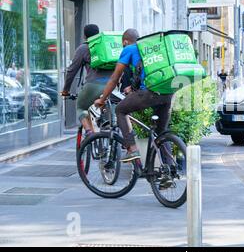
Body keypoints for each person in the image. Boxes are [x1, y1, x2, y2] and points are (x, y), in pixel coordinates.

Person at [94, 29, 174, 164]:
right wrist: (132, 87)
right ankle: (169, 170)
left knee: (120, 110)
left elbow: (114, 78)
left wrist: (102, 99)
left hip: (149, 93)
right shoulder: (151, 49)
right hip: (167, 93)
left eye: (122, 45)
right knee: (161, 131)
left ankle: (132, 149)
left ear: (125, 41)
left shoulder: (129, 49)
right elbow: (147, 73)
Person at [61, 24, 113, 136]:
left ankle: (90, 133)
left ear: (84, 36)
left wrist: (65, 90)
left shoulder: (84, 48)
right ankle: (110, 130)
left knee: (81, 107)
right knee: (108, 107)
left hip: (94, 85)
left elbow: (71, 71)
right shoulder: (107, 46)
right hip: (112, 85)